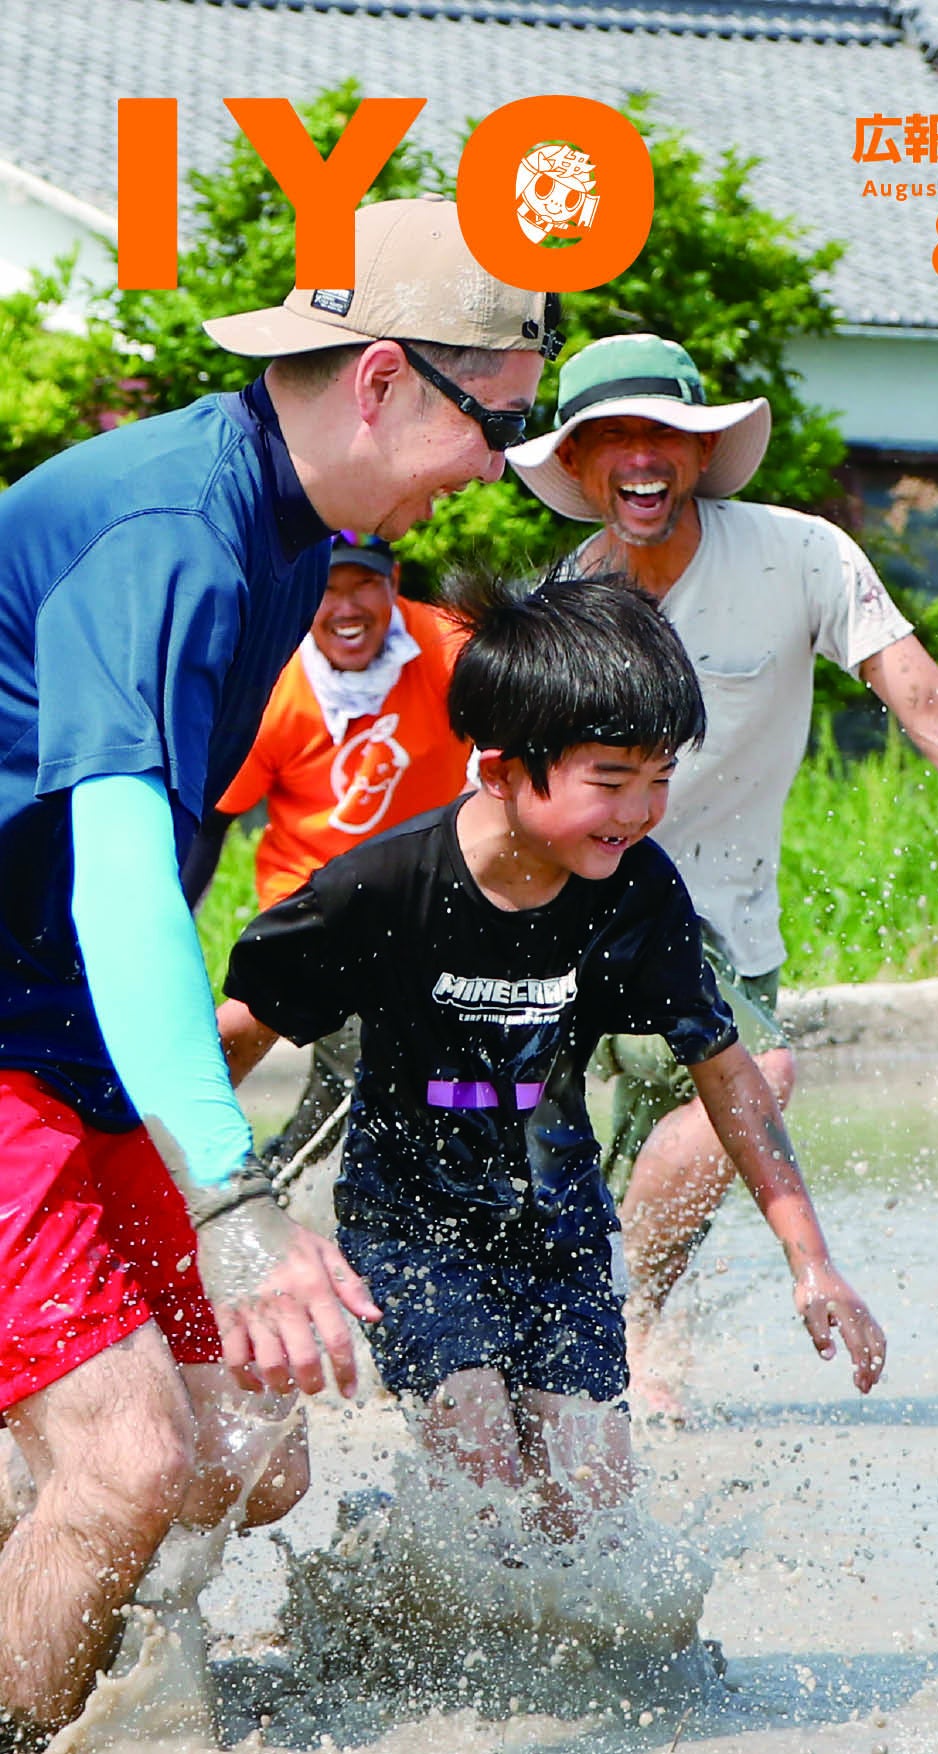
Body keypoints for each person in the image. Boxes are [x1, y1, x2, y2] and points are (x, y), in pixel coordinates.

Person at [0, 194, 558, 1739]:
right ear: (384, 380)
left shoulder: (289, 517)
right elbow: (123, 880)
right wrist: (239, 1201)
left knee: (255, 1450)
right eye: (496, 424)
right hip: (23, 1020)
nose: (504, 464)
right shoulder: (175, 534)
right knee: (133, 1467)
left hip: (67, 1022)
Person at [507, 333, 938, 1405]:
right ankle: (571, 1335)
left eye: (662, 433)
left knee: (748, 1094)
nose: (639, 457)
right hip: (580, 906)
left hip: (725, 919)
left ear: (703, 453)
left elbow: (929, 705)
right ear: (575, 466)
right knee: (555, 1155)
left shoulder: (798, 555)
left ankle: (632, 1314)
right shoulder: (561, 608)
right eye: (610, 437)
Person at [216, 572, 886, 1541]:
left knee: (591, 1499)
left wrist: (812, 1262)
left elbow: (726, 1071)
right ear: (498, 771)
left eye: (660, 777)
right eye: (611, 781)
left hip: (557, 1217)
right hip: (413, 1221)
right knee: (480, 1452)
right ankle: (386, 1588)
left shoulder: (635, 892)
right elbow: (234, 1033)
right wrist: (182, 1199)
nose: (642, 808)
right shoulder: (381, 886)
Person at [184, 531, 471, 1175]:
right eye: (326, 587)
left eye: (363, 583)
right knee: (369, 1055)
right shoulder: (273, 680)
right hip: (313, 912)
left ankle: (283, 1186)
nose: (345, 606)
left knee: (364, 1085)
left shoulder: (450, 647)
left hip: (430, 909)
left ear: (393, 581)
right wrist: (167, 930)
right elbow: (212, 825)